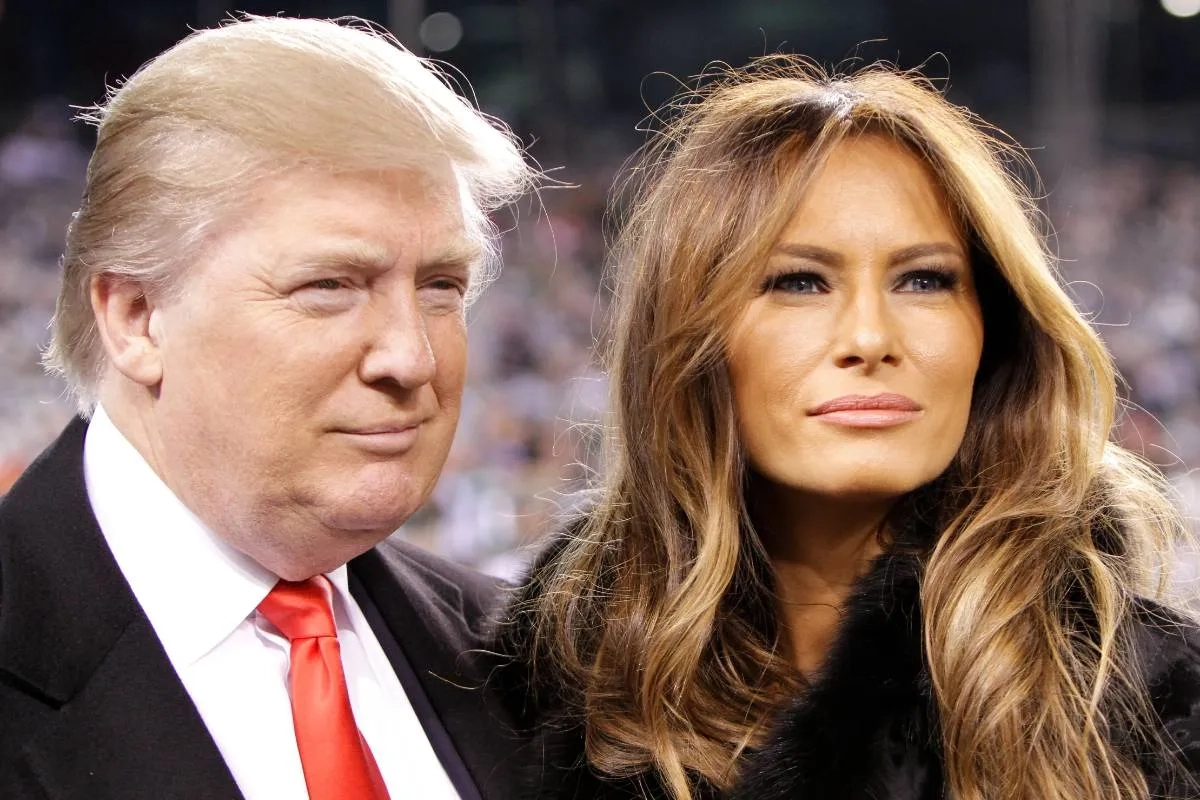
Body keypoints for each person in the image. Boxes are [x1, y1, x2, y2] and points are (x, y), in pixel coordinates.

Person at [492, 58, 1200, 800]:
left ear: (993, 333)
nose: (869, 337)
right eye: (800, 281)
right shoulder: (540, 693)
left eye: (924, 280)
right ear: (690, 338)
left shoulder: (1158, 707)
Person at [0, 16, 535, 800]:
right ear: (137, 318)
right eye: (330, 286)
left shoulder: (523, 663)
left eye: (440, 287)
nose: (412, 358)